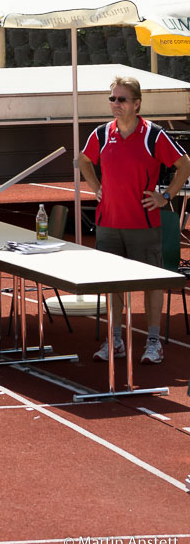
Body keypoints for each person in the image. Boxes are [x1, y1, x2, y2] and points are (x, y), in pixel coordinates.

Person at [79, 76, 190, 365]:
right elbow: (83, 161)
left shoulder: (153, 134)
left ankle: (153, 343)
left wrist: (165, 196)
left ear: (137, 103)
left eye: (122, 99)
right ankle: (115, 340)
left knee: (151, 283)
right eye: (112, 99)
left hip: (144, 225)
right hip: (108, 225)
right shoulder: (102, 134)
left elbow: (184, 164)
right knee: (112, 284)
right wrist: (95, 187)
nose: (116, 104)